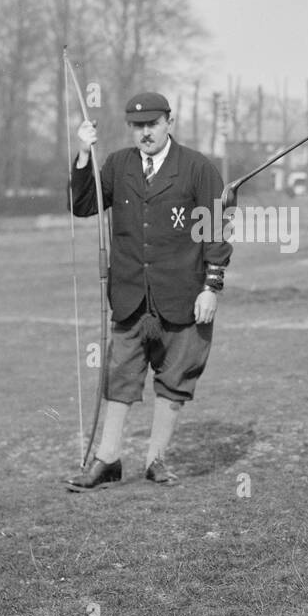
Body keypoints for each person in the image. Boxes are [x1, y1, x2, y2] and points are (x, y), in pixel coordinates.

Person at [65, 92, 231, 490]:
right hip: (129, 297)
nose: (145, 133)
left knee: (176, 378)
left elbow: (216, 230)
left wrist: (212, 287)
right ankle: (107, 459)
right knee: (120, 377)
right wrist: (83, 153)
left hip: (185, 296)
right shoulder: (118, 165)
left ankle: (157, 459)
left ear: (168, 122)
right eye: (138, 126)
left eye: (152, 124)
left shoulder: (197, 168)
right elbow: (83, 204)